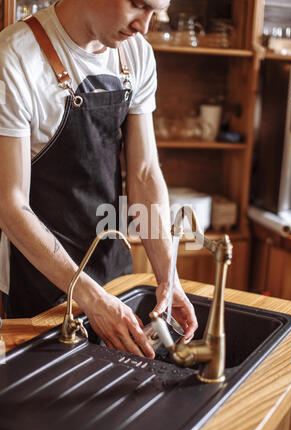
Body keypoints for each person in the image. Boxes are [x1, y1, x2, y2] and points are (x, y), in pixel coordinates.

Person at [0, 0, 197, 358]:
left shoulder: (136, 54)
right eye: (138, 5)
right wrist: (90, 297)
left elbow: (144, 172)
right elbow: (10, 205)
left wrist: (168, 276)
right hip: (41, 288)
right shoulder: (14, 58)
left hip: (114, 275)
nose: (144, 26)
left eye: (156, 12)